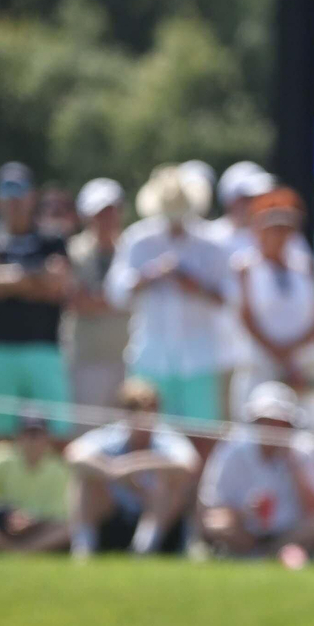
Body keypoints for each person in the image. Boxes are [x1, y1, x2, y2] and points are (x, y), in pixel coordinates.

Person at [106, 165, 229, 429]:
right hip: (151, 355)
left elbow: (229, 297)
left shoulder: (211, 242)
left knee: (202, 434)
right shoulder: (138, 239)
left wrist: (194, 284)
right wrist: (149, 276)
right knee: (145, 431)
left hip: (199, 358)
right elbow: (116, 292)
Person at [0, 162, 74, 440]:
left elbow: (58, 286)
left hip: (44, 348)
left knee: (57, 434)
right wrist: (33, 278)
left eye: (20, 194)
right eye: (7, 195)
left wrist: (5, 280)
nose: (14, 202)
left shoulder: (53, 239)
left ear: (32, 197)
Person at [65, 378, 200, 558]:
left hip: (162, 525)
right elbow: (73, 455)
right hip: (114, 519)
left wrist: (132, 465)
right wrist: (112, 472)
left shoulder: (167, 438)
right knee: (85, 481)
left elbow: (190, 464)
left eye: (149, 408)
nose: (142, 416)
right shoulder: (111, 436)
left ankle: (143, 550)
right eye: (133, 408)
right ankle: (83, 551)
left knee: (169, 485)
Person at [198, 382, 314, 564]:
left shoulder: (306, 449)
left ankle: (274, 553)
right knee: (217, 524)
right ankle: (259, 554)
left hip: (291, 532)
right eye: (266, 421)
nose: (272, 428)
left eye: (280, 423)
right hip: (245, 532)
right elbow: (214, 507)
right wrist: (245, 512)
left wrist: (294, 467)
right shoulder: (232, 449)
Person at [227, 187, 314, 422]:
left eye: (285, 228)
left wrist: (294, 357)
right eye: (272, 228)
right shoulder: (244, 268)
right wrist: (280, 357)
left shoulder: (306, 265)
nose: (278, 235)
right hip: (261, 366)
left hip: (303, 367)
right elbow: (246, 317)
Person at [62, 178, 132, 412]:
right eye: (100, 212)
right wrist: (119, 299)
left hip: (127, 357)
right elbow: (77, 302)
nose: (107, 219)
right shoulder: (71, 250)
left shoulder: (131, 248)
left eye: (112, 211)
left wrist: (98, 300)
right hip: (86, 357)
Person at [0, 414, 72, 552]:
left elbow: (60, 516)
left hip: (38, 532)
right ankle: (15, 551)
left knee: (67, 530)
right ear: (19, 436)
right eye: (28, 433)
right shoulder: (0, 455)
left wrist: (29, 522)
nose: (33, 440)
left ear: (47, 438)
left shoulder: (58, 468)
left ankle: (20, 552)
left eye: (37, 434)